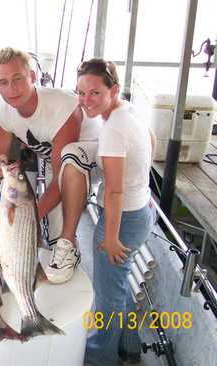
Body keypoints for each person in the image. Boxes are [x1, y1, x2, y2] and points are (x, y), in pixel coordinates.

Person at [0, 47, 101, 284]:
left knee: (68, 159)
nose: (12, 88)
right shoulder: (2, 112)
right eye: (4, 82)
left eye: (18, 79)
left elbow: (63, 177)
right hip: (55, 161)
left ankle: (70, 244)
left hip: (97, 158)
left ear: (32, 77)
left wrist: (27, 218)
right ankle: (57, 244)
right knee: (50, 237)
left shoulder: (61, 105)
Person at [76, 58, 155, 365]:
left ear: (114, 89)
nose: (86, 101)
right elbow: (151, 140)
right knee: (119, 285)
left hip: (121, 221)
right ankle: (127, 345)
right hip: (139, 213)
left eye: (94, 93)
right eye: (81, 93)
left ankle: (100, 357)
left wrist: (110, 237)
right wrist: (143, 187)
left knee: (108, 295)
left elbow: (114, 190)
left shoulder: (112, 130)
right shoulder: (128, 110)